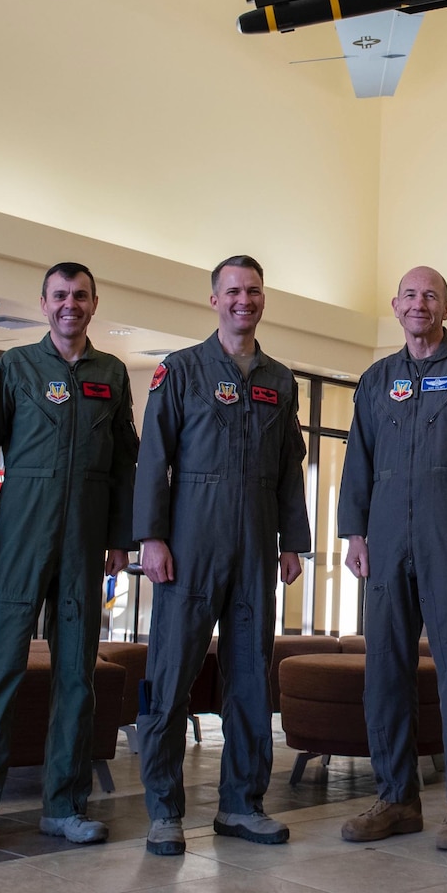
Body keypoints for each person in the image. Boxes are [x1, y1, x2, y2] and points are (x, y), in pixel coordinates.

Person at [0, 262, 139, 853]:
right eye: (60, 296)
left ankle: (65, 807)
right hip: (20, 540)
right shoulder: (16, 367)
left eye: (80, 295)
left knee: (77, 680)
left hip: (83, 545)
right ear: (44, 303)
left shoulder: (112, 373)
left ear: (94, 303)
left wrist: (120, 538)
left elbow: (126, 462)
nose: (69, 305)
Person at [132, 255, 312, 856]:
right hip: (190, 540)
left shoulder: (281, 380)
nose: (244, 300)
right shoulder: (180, 371)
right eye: (233, 290)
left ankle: (243, 804)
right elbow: (154, 459)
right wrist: (151, 538)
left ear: (264, 299)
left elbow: (291, 467)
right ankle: (163, 810)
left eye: (253, 291)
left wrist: (295, 542)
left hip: (257, 541)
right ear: (214, 300)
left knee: (250, 679)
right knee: (171, 675)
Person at [338, 266, 447, 851]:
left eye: (431, 296)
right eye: (410, 295)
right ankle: (396, 799)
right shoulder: (376, 378)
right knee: (385, 673)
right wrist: (354, 533)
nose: (420, 304)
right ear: (395, 305)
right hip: (385, 542)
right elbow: (358, 460)